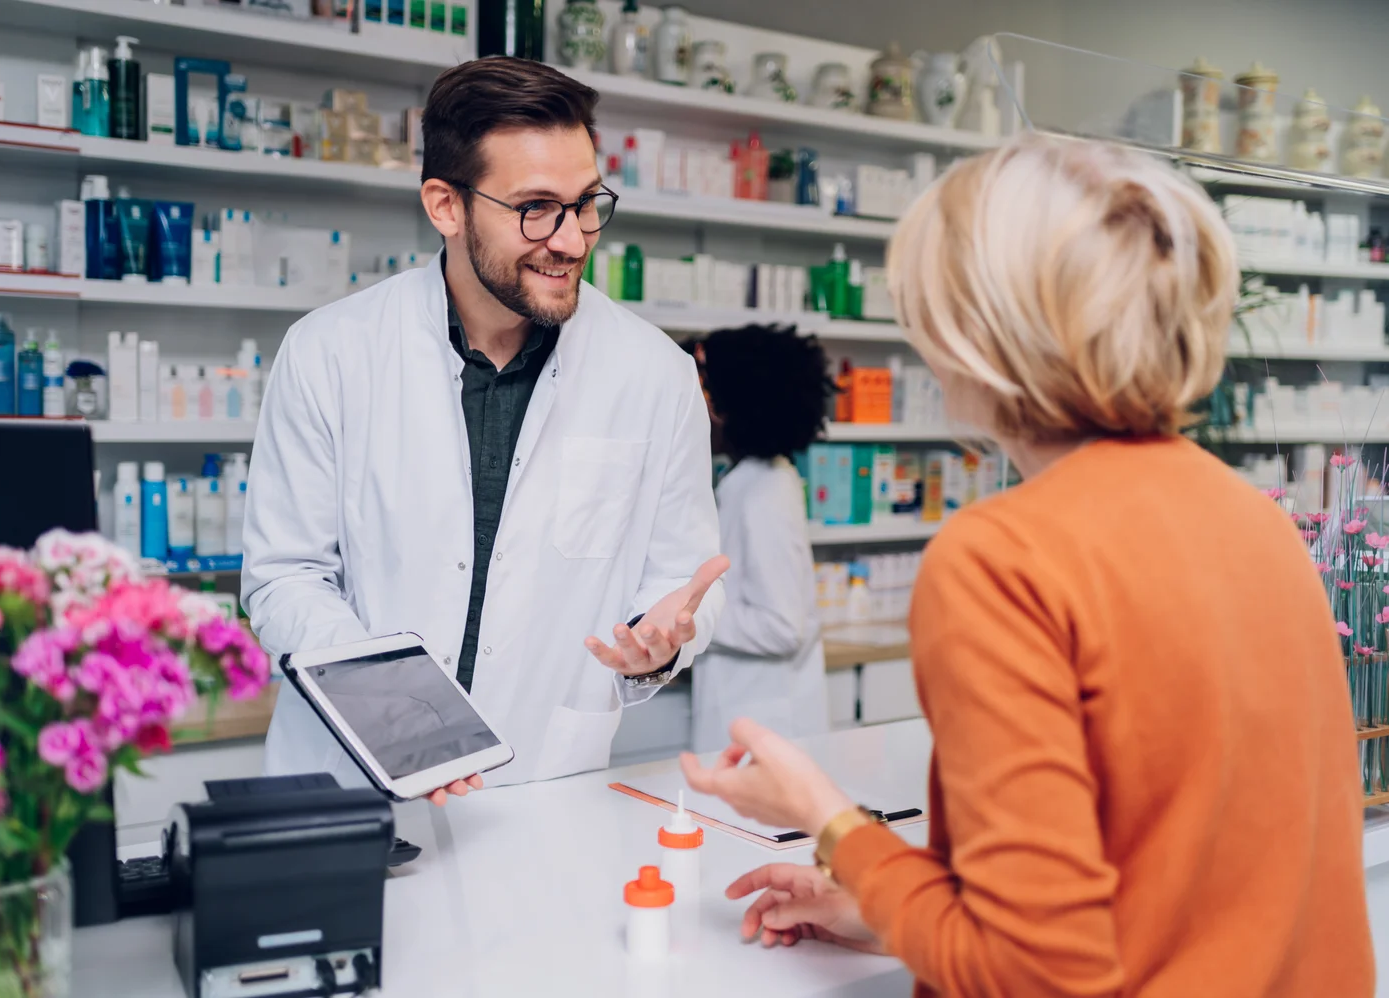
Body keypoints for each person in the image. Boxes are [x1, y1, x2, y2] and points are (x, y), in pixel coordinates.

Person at [681, 133, 1373, 995]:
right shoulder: (1257, 523)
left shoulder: (1002, 559)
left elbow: (1031, 975)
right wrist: (889, 904)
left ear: (977, 336)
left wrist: (827, 821)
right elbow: (1180, 875)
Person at [243, 56, 728, 796]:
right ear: (446, 206)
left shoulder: (654, 375)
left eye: (586, 202)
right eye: (536, 207)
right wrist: (392, 711)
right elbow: (285, 576)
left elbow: (681, 580)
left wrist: (656, 648)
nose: (571, 240)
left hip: (542, 784)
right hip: (350, 780)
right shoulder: (331, 351)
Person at [684, 326, 833, 753]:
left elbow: (782, 627)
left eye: (698, 395)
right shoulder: (748, 480)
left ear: (729, 407)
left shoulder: (766, 491)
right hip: (747, 719)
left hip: (768, 730)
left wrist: (691, 613)